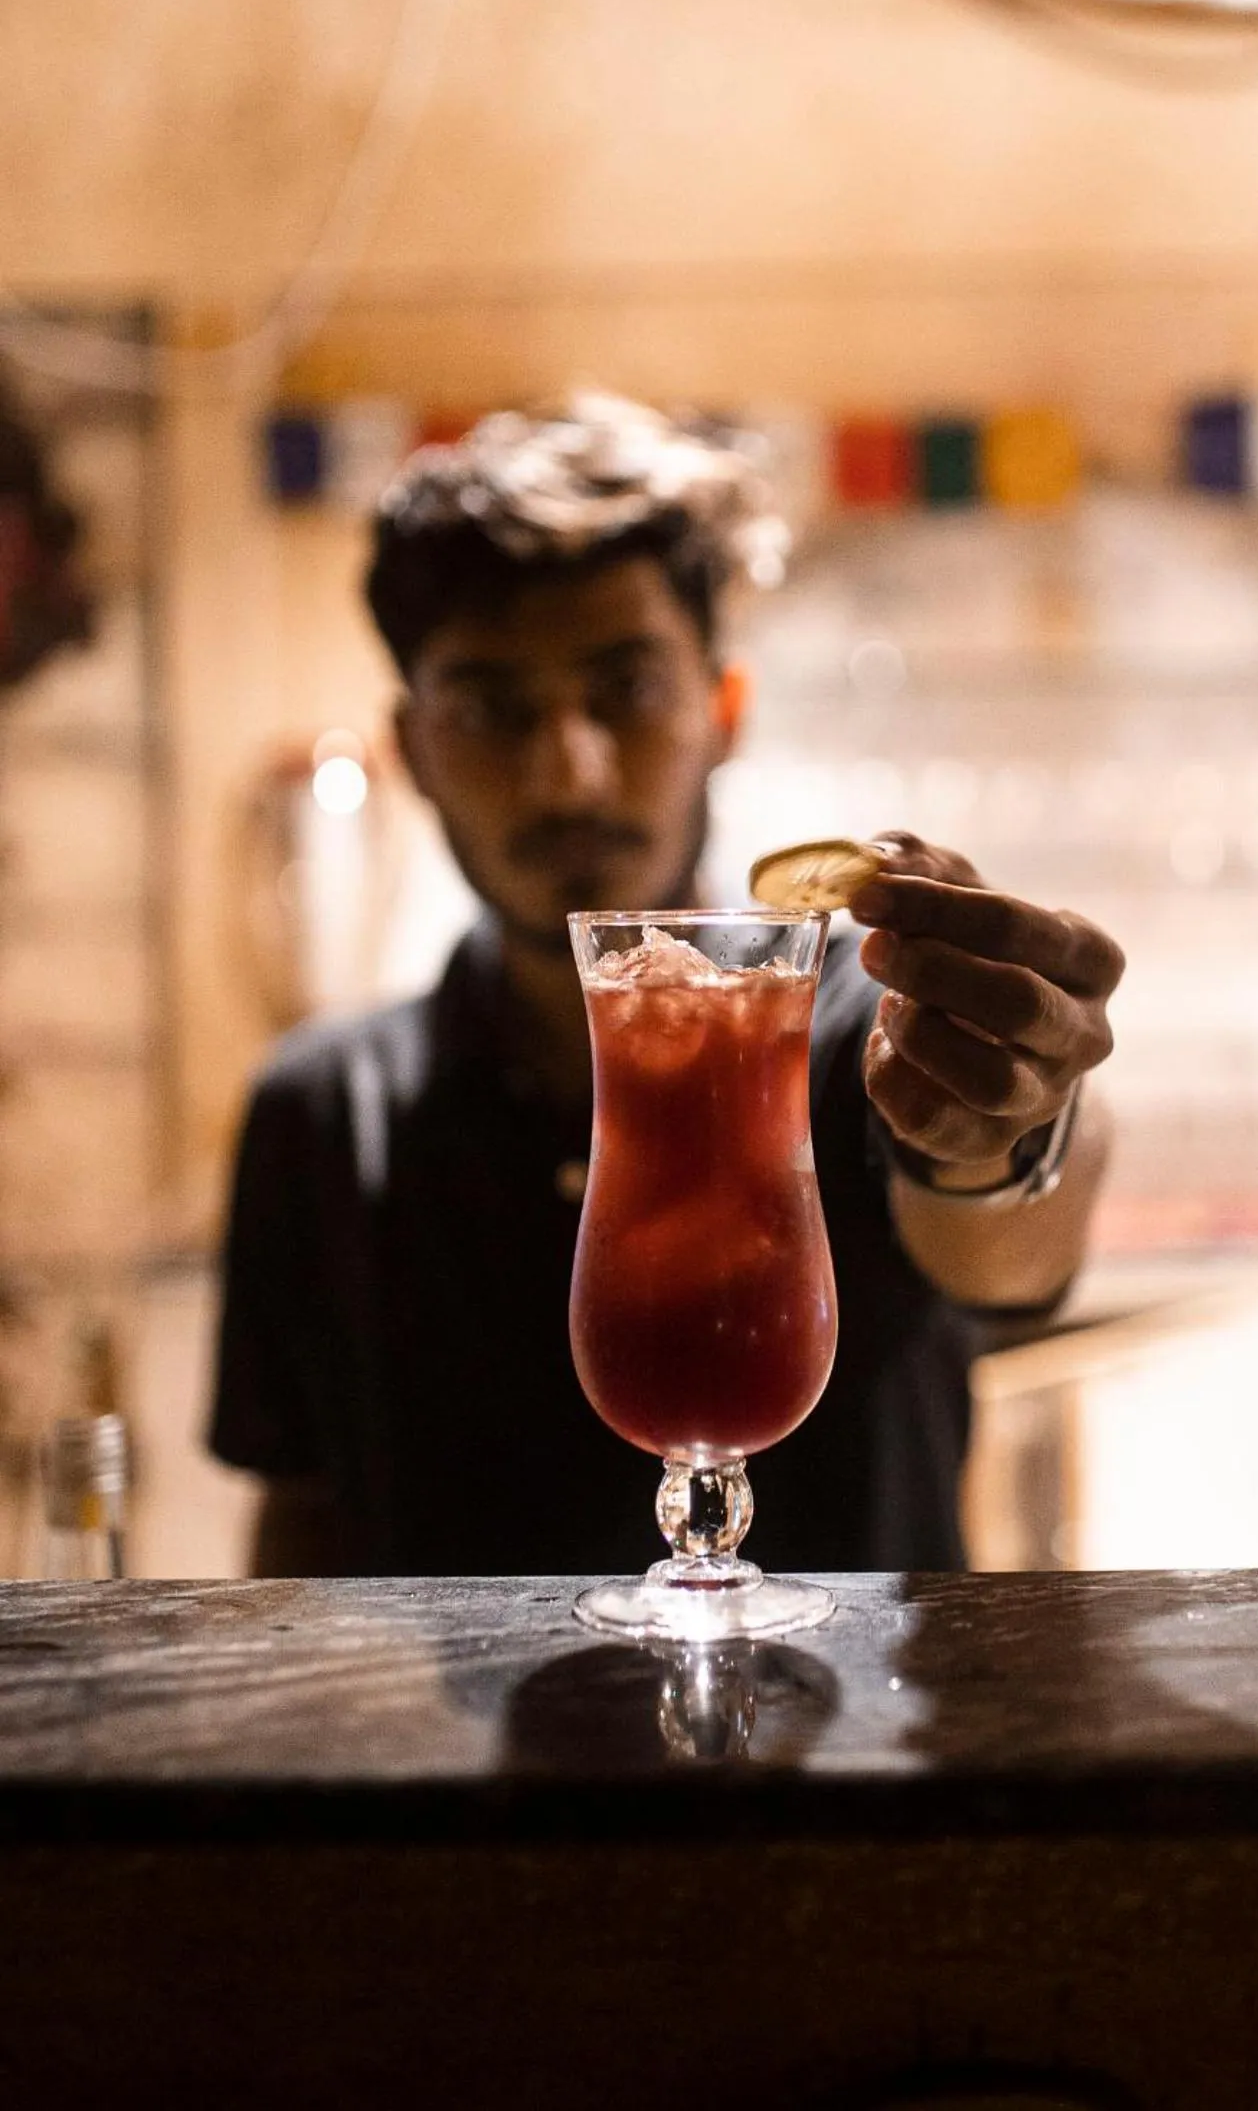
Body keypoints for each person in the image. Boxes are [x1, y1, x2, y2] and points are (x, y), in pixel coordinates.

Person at [210, 393, 1124, 1576]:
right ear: (415, 748)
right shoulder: (318, 1115)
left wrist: (1010, 1117)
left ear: (723, 711)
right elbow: (293, 1541)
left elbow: (1010, 1241)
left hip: (850, 1704)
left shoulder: (865, 1029)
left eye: (627, 690)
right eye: (491, 709)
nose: (568, 772)